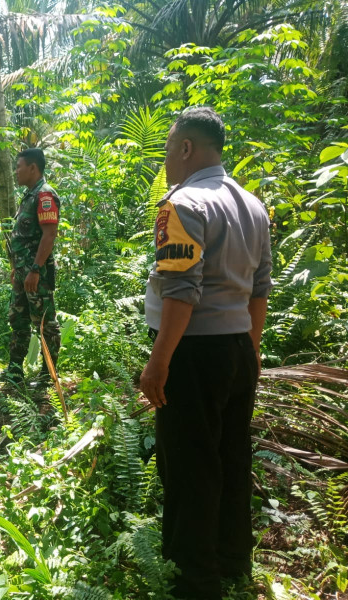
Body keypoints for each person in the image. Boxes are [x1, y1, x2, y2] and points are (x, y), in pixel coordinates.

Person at [139, 107, 272, 599]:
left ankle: (194, 581)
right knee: (231, 455)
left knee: (191, 464)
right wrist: (251, 352)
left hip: (192, 353)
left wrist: (159, 361)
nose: (167, 158)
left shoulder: (182, 204)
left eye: (169, 147)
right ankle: (234, 558)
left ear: (187, 148)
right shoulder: (253, 206)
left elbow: (181, 292)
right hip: (238, 348)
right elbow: (260, 288)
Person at [5, 148, 61, 386]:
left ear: (32, 168)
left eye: (18, 166)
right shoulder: (30, 195)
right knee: (18, 319)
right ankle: (15, 371)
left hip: (37, 275)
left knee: (44, 322)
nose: (16, 171)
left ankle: (48, 375)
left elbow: (49, 235)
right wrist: (17, 269)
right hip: (23, 273)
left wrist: (35, 270)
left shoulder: (45, 195)